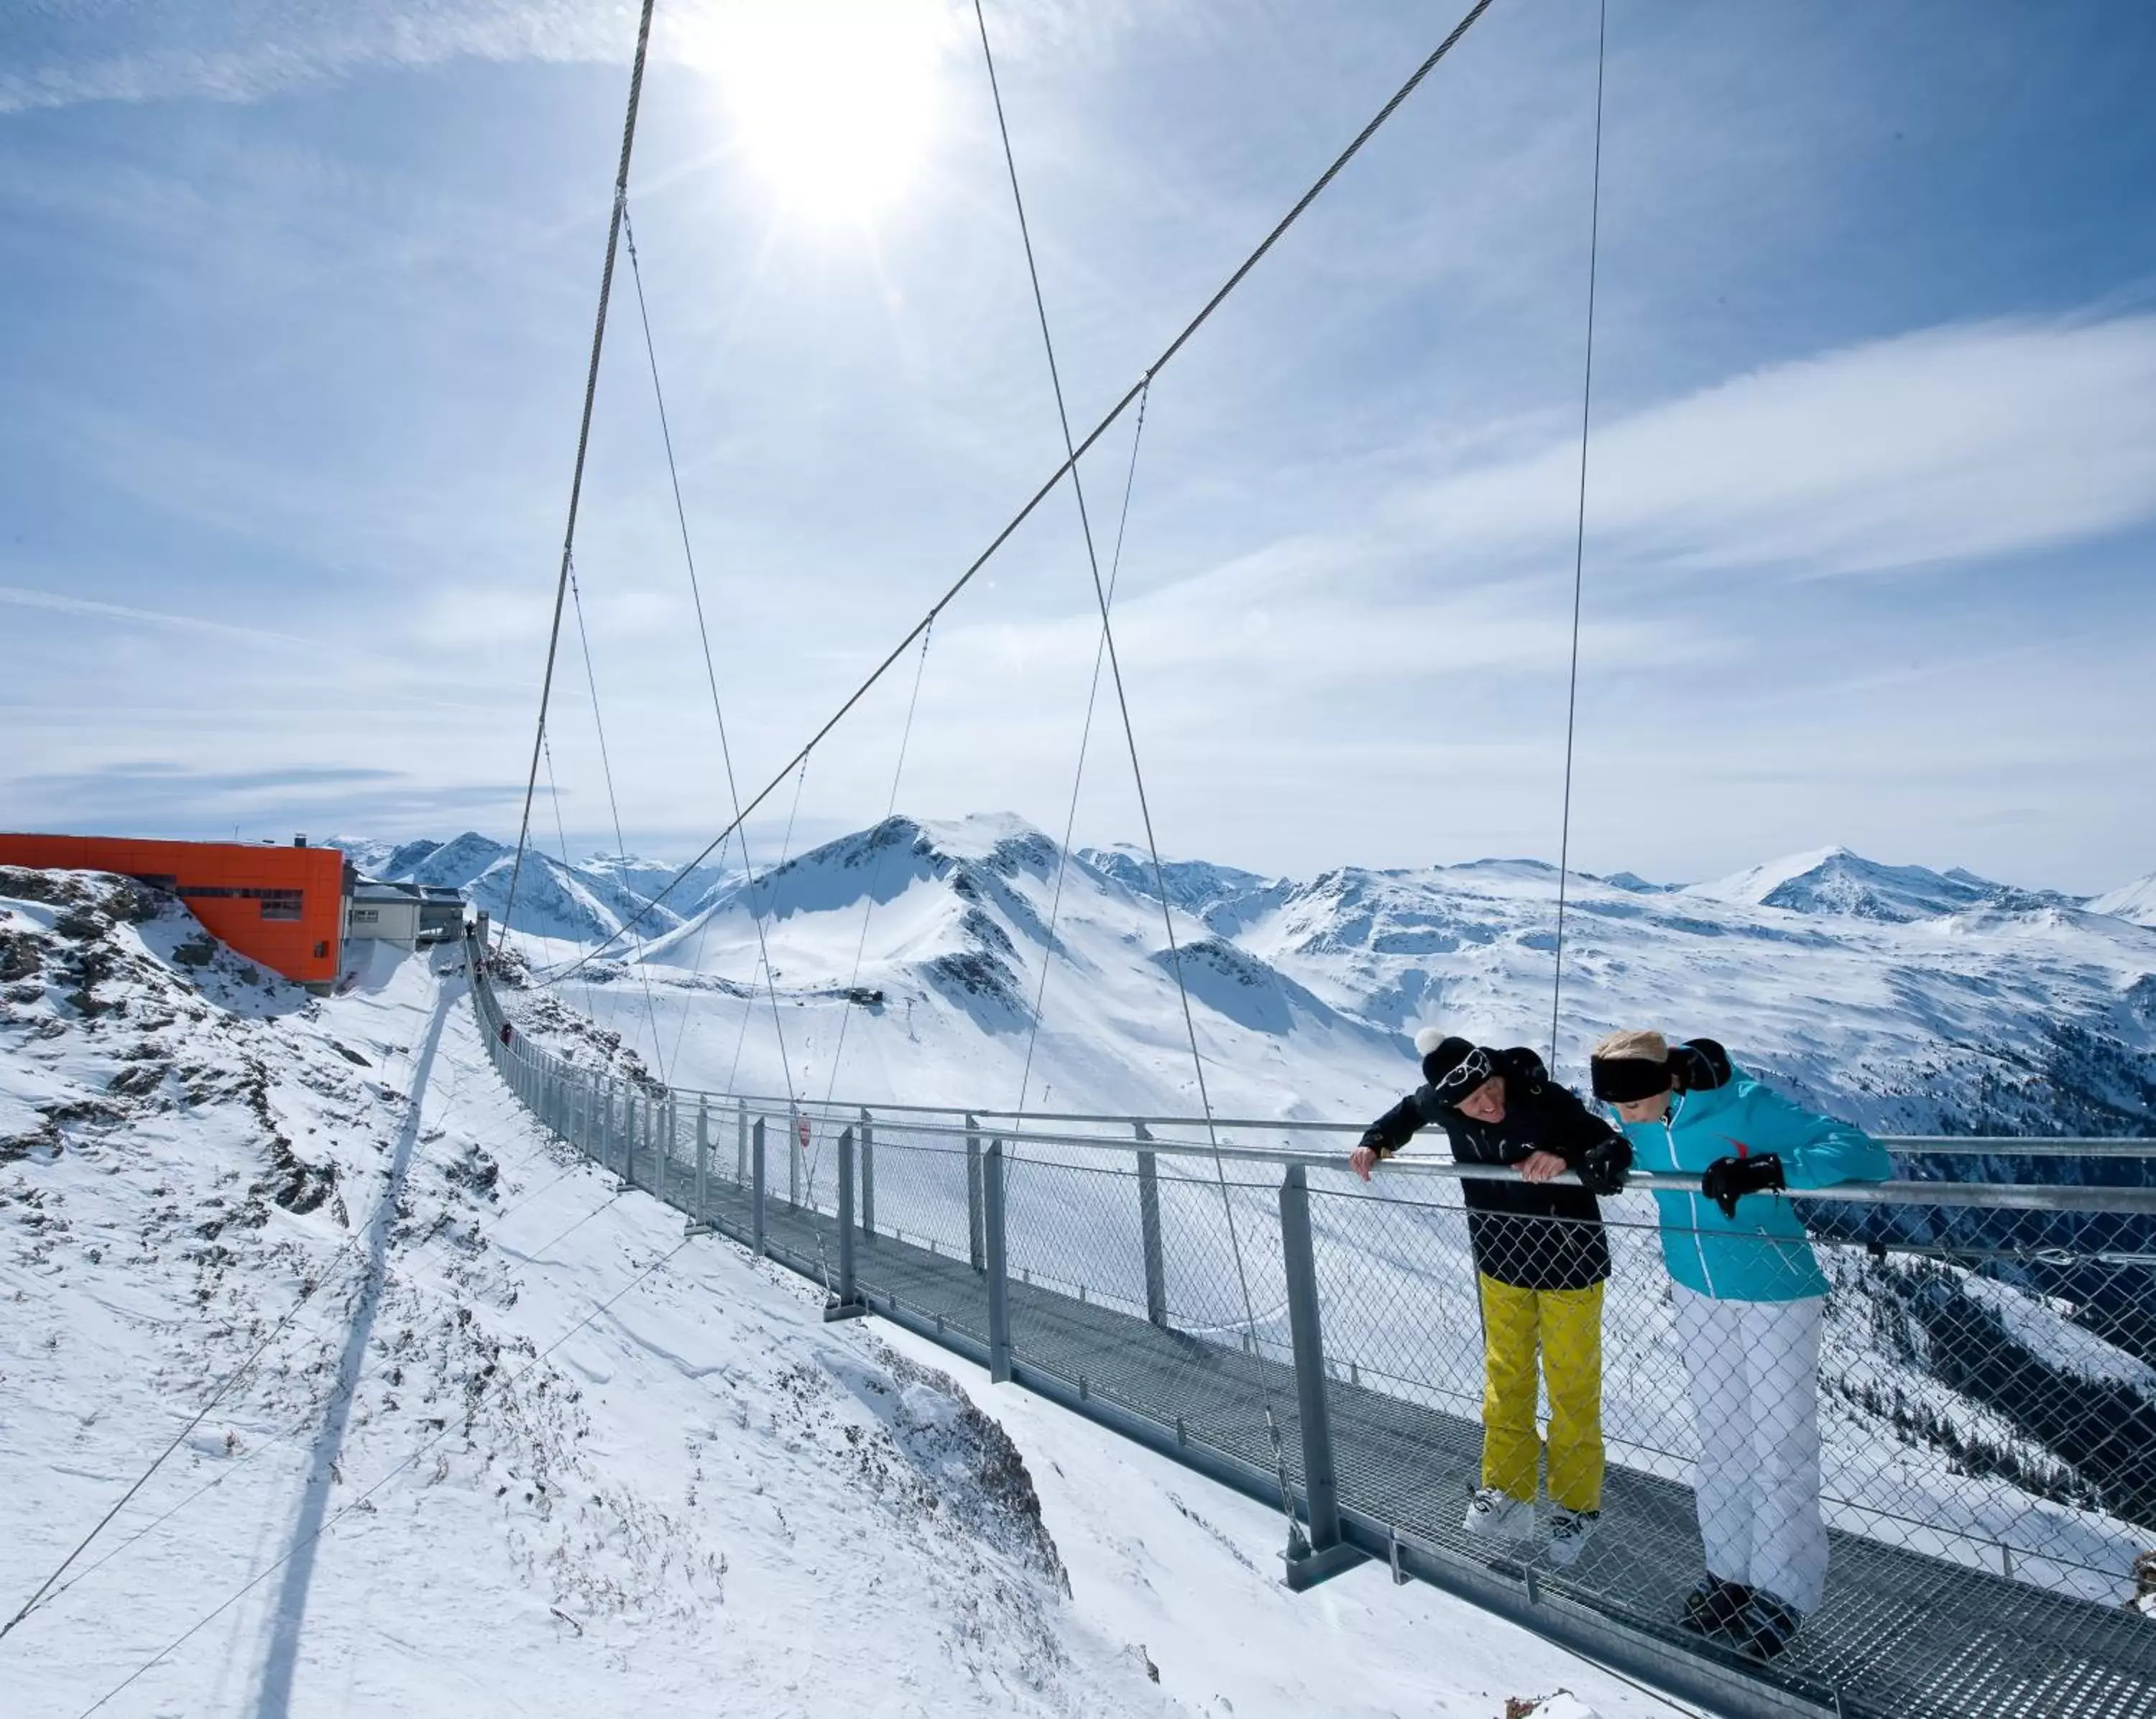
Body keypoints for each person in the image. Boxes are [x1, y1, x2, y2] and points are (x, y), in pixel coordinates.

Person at [1589, 1028, 1891, 1659]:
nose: (1624, 1115)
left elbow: (1864, 1152)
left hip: (1775, 1291)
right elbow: (1624, 1137)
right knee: (1722, 1440)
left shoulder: (1745, 1106)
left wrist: (1770, 1168)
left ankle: (1785, 1593)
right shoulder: (1640, 1118)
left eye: (1630, 1105)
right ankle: (1730, 1575)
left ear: (1667, 1080)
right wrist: (1609, 1151)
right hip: (1697, 1290)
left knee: (1780, 1444)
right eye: (1614, 1106)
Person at [1353, 1031, 1632, 1566]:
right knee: (1507, 1378)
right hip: (1500, 1262)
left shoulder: (1538, 1097)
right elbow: (1406, 1114)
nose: (1487, 1104)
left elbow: (1610, 1142)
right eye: (1471, 1102)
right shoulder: (1441, 1101)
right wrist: (1375, 1141)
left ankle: (1576, 1508)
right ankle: (1508, 1493)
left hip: (1568, 1262)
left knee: (1571, 1384)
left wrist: (1566, 1154)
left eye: (1489, 1089)